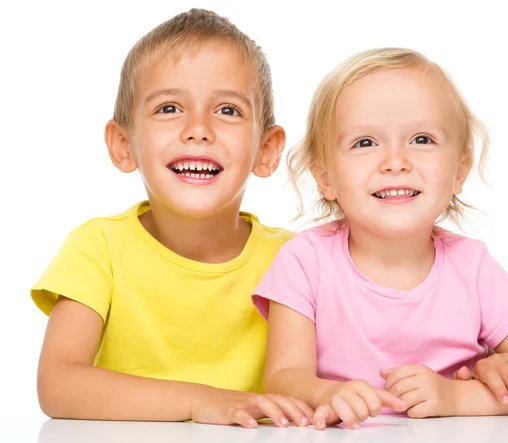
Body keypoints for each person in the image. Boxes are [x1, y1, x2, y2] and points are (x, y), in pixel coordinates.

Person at [253, 48, 508, 430]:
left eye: (421, 139)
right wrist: (326, 394)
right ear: (325, 177)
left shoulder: (471, 267)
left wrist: (454, 397)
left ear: (459, 172)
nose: (395, 161)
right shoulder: (305, 261)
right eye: (365, 143)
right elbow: (283, 377)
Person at [31, 9, 312, 428]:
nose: (198, 129)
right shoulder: (99, 248)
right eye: (168, 108)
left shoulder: (298, 258)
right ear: (124, 145)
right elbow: (58, 385)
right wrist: (201, 402)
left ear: (266, 149)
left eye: (228, 110)